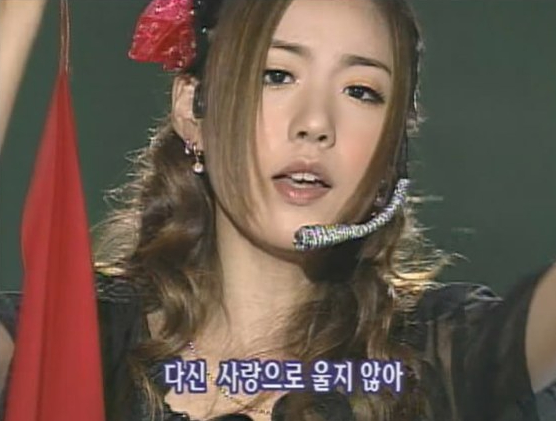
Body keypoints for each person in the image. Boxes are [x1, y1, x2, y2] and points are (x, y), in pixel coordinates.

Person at [0, 0, 555, 420]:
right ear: (193, 111)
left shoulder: (442, 355)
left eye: (361, 91)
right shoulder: (74, 342)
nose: (315, 123)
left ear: (393, 148)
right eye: (277, 75)